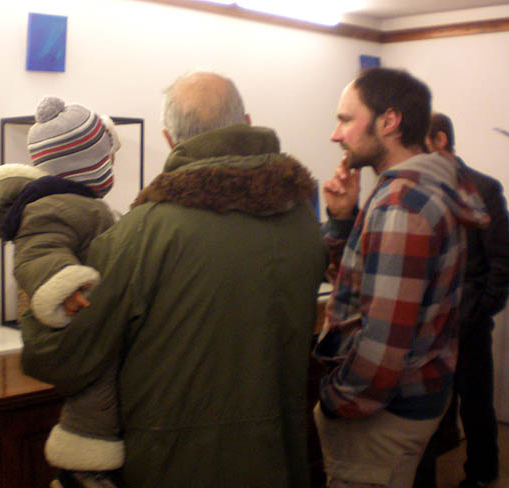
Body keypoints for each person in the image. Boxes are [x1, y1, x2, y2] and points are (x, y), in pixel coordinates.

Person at [17, 71, 328, 487]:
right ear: (247, 122)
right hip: (280, 461)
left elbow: (61, 356)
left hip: (174, 464)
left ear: (168, 139)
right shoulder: (303, 221)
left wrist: (40, 291)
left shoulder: (144, 232)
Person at [312, 68, 490, 488]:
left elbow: (383, 347)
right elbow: (365, 288)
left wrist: (335, 399)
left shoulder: (402, 204)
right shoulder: (424, 185)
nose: (336, 134)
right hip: (415, 396)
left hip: (385, 413)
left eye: (345, 119)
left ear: (389, 121)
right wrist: (343, 221)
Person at [0, 96, 125, 488]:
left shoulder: (77, 204)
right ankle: (84, 467)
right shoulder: (56, 208)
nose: (112, 166)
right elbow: (39, 253)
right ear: (88, 165)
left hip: (92, 317)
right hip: (79, 319)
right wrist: (64, 284)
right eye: (107, 159)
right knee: (97, 391)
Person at [413, 113, 509, 488]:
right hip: (426, 327)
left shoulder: (484, 188)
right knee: (426, 410)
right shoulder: (417, 189)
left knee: (476, 406)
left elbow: (503, 262)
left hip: (468, 324)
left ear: (440, 140)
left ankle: (482, 476)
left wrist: (476, 311)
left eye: (419, 142)